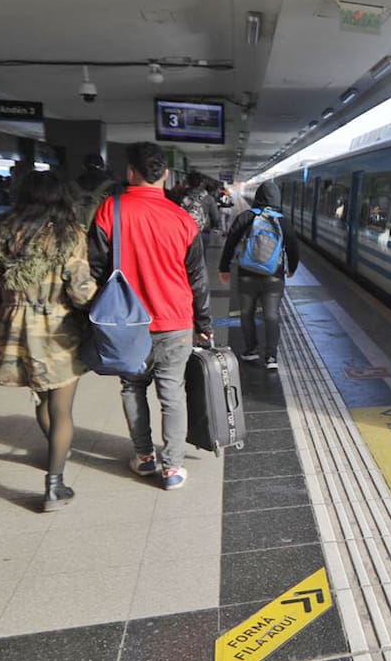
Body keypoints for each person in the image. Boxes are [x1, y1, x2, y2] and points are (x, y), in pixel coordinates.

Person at [88, 142, 211, 491]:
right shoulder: (182, 219)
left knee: (132, 386)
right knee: (172, 392)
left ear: (130, 173)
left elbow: (95, 269)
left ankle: (144, 458)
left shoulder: (108, 211)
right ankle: (172, 468)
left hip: (125, 324)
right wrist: (204, 325)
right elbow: (198, 279)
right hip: (175, 321)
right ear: (166, 175)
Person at [0, 171, 97, 512]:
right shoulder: (68, 234)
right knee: (62, 408)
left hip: (15, 327)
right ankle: (54, 485)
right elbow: (81, 290)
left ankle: (57, 454)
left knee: (42, 399)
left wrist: (10, 312)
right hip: (57, 329)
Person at [219, 181, 299, 371]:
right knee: (272, 315)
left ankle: (250, 350)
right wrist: (292, 269)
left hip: (247, 274)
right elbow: (294, 248)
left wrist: (224, 268)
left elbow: (231, 243)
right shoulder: (283, 221)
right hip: (274, 276)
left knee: (247, 313)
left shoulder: (245, 217)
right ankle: (271, 357)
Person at [180, 172, 221, 251]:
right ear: (202, 183)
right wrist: (214, 226)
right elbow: (216, 217)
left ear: (188, 182)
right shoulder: (208, 198)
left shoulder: (180, 196)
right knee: (200, 257)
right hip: (202, 232)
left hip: (183, 231)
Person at [73, 153, 116, 226]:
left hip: (76, 233)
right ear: (103, 167)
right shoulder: (112, 186)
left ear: (83, 166)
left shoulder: (71, 186)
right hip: (101, 232)